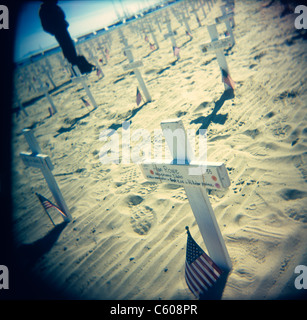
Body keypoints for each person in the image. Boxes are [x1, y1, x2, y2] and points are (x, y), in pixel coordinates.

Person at [39, 0, 95, 74]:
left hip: (62, 30)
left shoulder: (54, 7)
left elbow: (62, 16)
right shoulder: (45, 10)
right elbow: (45, 26)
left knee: (70, 49)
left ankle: (82, 68)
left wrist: (63, 24)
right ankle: (80, 69)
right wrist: (55, 30)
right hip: (59, 32)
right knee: (68, 50)